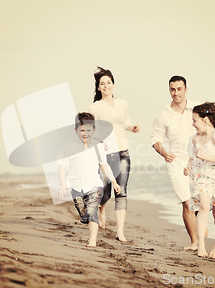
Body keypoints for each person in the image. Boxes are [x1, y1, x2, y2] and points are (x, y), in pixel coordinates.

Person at [88, 67, 140, 242]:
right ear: (98, 88)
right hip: (105, 155)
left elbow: (125, 122)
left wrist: (132, 128)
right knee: (105, 192)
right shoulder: (95, 107)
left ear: (113, 84)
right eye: (102, 84)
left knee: (122, 191)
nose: (106, 86)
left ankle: (120, 231)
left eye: (108, 82)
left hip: (122, 151)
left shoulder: (122, 103)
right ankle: (102, 207)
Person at [57, 112, 121, 247]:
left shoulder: (98, 147)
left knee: (92, 212)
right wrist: (63, 184)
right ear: (75, 131)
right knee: (84, 214)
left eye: (88, 130)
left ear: (94, 130)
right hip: (76, 189)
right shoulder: (70, 147)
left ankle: (92, 242)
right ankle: (92, 216)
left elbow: (105, 165)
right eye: (81, 130)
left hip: (94, 186)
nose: (85, 133)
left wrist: (114, 181)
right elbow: (61, 166)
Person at [151, 76, 200, 251]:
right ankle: (195, 242)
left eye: (179, 89)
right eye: (172, 89)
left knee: (200, 202)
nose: (176, 93)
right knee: (186, 202)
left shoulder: (197, 108)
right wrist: (164, 153)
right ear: (169, 90)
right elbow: (156, 139)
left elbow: (208, 130)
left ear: (186, 89)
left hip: (197, 161)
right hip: (176, 163)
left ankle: (200, 227)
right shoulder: (164, 114)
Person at [183, 102, 215, 258]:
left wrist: (206, 156)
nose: (193, 124)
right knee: (204, 206)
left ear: (205, 120)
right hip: (202, 177)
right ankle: (201, 246)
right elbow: (191, 158)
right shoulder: (194, 139)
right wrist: (188, 167)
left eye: (195, 120)